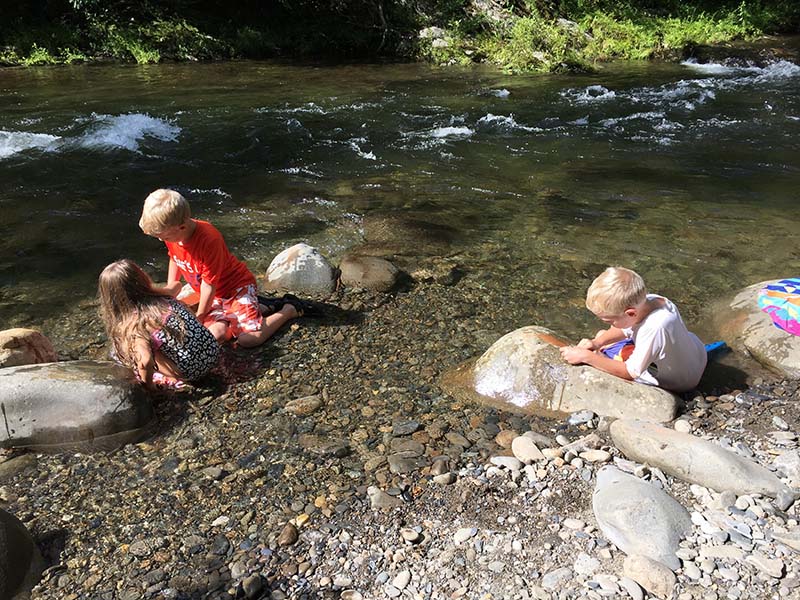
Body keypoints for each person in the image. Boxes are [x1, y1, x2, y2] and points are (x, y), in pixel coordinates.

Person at [139, 189, 298, 347]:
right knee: (215, 336)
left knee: (248, 339)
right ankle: (258, 308)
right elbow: (174, 257)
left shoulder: (209, 239)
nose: (161, 240)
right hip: (214, 296)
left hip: (236, 288)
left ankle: (288, 309)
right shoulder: (173, 235)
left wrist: (199, 317)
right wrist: (171, 287)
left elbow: (209, 285)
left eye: (164, 237)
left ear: (181, 227)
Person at [560, 266, 707, 392]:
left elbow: (630, 372)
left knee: (602, 355)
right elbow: (626, 328)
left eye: (609, 320)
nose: (608, 323)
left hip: (681, 381)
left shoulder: (654, 327)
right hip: (698, 355)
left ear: (630, 313)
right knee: (602, 336)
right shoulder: (651, 301)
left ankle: (602, 355)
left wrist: (588, 357)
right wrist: (597, 342)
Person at [98, 259, 220, 388]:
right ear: (142, 277)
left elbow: (145, 361)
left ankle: (170, 377)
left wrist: (149, 388)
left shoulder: (133, 324)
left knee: (124, 348)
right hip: (212, 352)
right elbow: (177, 285)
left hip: (192, 372)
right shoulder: (163, 296)